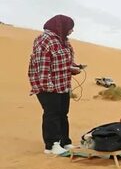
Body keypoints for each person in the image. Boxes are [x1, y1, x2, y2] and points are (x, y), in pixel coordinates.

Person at [28, 14, 84, 155]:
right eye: (70, 28)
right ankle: (51, 145)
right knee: (51, 114)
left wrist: (73, 68)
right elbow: (42, 66)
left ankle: (65, 142)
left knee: (63, 114)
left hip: (63, 84)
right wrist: (48, 86)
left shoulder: (63, 41)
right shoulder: (44, 40)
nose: (71, 31)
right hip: (48, 85)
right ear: (62, 26)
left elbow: (65, 62)